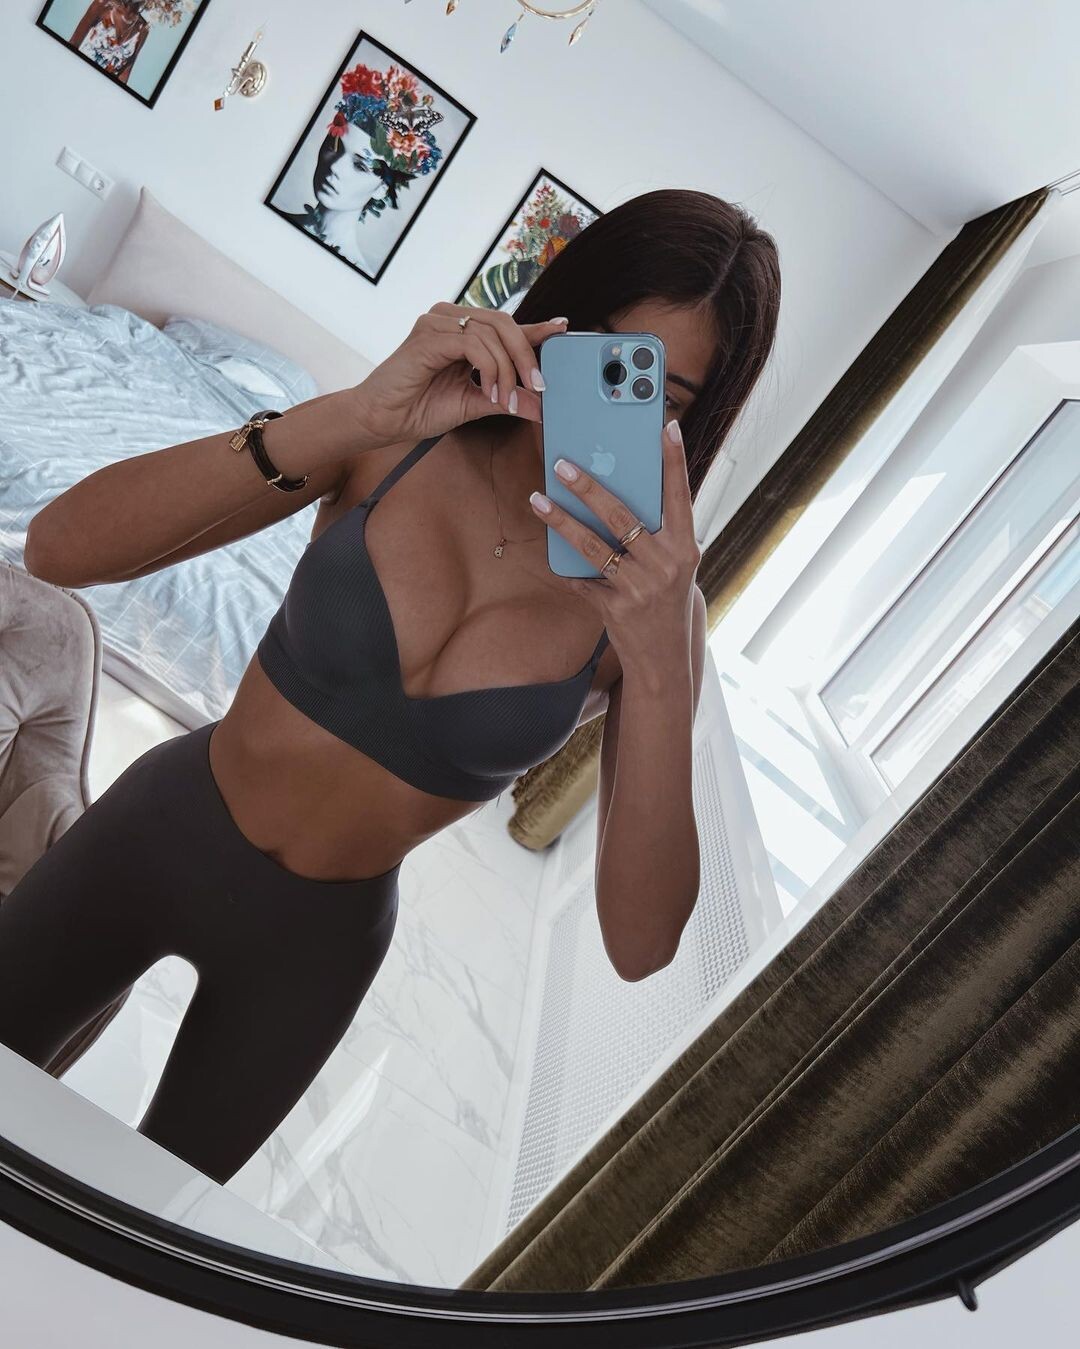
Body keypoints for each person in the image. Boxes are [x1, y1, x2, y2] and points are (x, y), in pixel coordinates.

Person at [0, 188, 781, 1186]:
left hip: (311, 953)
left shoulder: (650, 613)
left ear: (693, 421)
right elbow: (60, 549)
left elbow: (641, 943)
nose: (605, 402)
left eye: (657, 396)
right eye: (598, 356)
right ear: (555, 320)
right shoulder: (397, 436)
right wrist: (355, 411)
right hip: (157, 831)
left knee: (144, 1221)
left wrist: (667, 660)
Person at [70, 1, 150, 84]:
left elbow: (125, 73)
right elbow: (73, 43)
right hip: (77, 73)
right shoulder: (103, 4)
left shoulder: (143, 29)